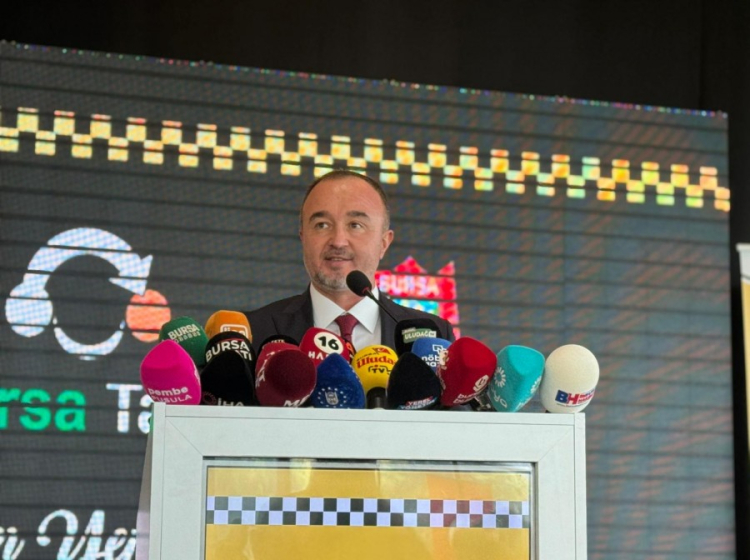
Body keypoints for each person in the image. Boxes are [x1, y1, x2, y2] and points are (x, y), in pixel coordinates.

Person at [244, 169, 455, 352]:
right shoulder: (253, 331)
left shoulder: (433, 337)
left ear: (384, 242)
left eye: (355, 225)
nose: (338, 241)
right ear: (303, 237)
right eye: (322, 225)